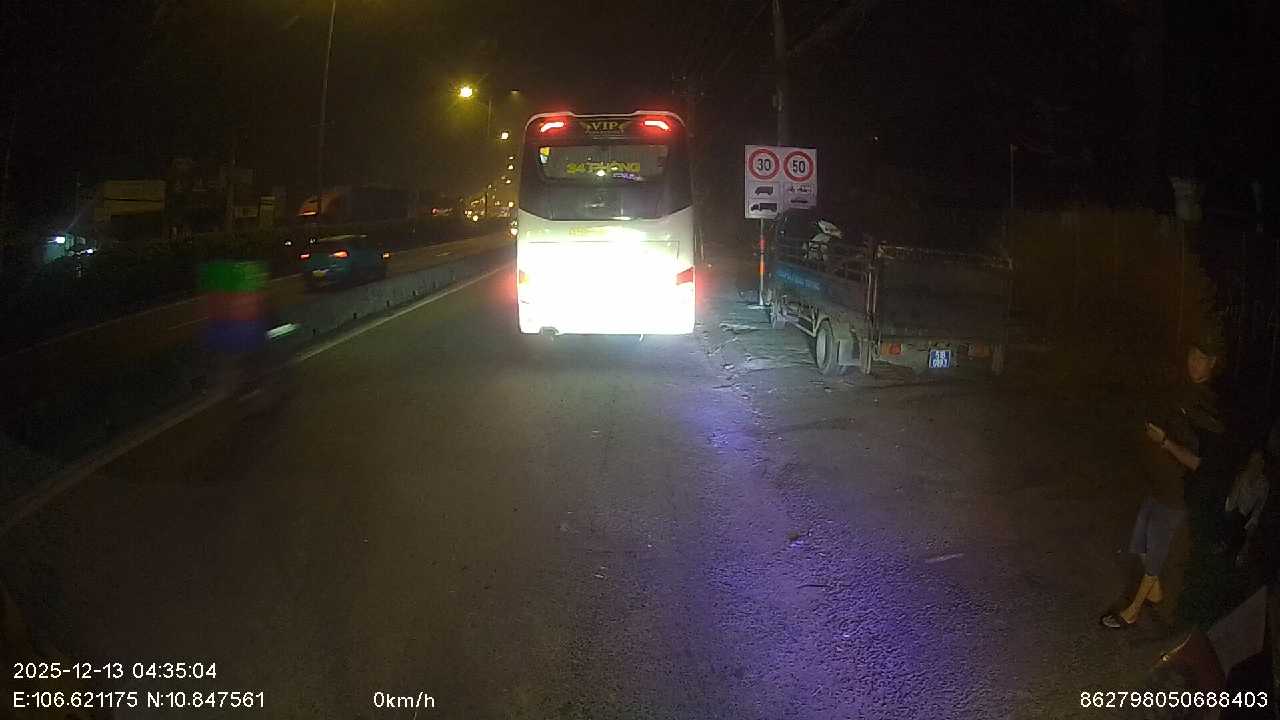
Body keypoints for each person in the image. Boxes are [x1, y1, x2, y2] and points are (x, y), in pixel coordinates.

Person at [1101, 327, 1227, 629]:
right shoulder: (1184, 390)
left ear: (1212, 363)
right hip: (1157, 485)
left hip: (1177, 493)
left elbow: (1198, 462)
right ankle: (1156, 593)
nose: (1194, 362)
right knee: (1140, 544)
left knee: (1154, 550)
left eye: (1202, 358)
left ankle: (1132, 611)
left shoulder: (1209, 406)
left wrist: (1164, 441)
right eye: (1192, 355)